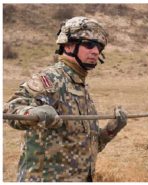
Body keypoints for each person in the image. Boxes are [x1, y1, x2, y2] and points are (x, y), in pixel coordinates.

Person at [3, 16, 128, 182]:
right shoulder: (49, 80)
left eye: (99, 46)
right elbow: (9, 110)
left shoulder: (80, 88)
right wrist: (33, 112)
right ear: (68, 45)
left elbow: (85, 148)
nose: (96, 51)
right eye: (89, 44)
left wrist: (111, 130)